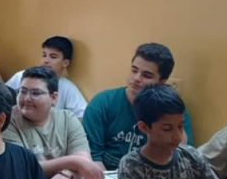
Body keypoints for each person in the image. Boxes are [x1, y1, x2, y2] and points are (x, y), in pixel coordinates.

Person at [82, 42, 195, 170]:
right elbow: (93, 156)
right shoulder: (102, 103)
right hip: (105, 176)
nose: (136, 78)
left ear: (162, 82)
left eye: (147, 75)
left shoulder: (173, 112)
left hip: (153, 177)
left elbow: (183, 156)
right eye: (134, 70)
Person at [3, 66, 104, 179]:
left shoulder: (67, 118)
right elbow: (23, 168)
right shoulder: (7, 120)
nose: (26, 98)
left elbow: (84, 161)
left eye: (35, 93)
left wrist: (66, 174)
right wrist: (74, 161)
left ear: (54, 98)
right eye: (22, 91)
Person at [5, 36, 88, 118]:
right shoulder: (22, 76)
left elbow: (83, 114)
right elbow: (3, 97)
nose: (46, 60)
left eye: (53, 57)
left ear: (65, 63)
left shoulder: (67, 87)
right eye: (44, 55)